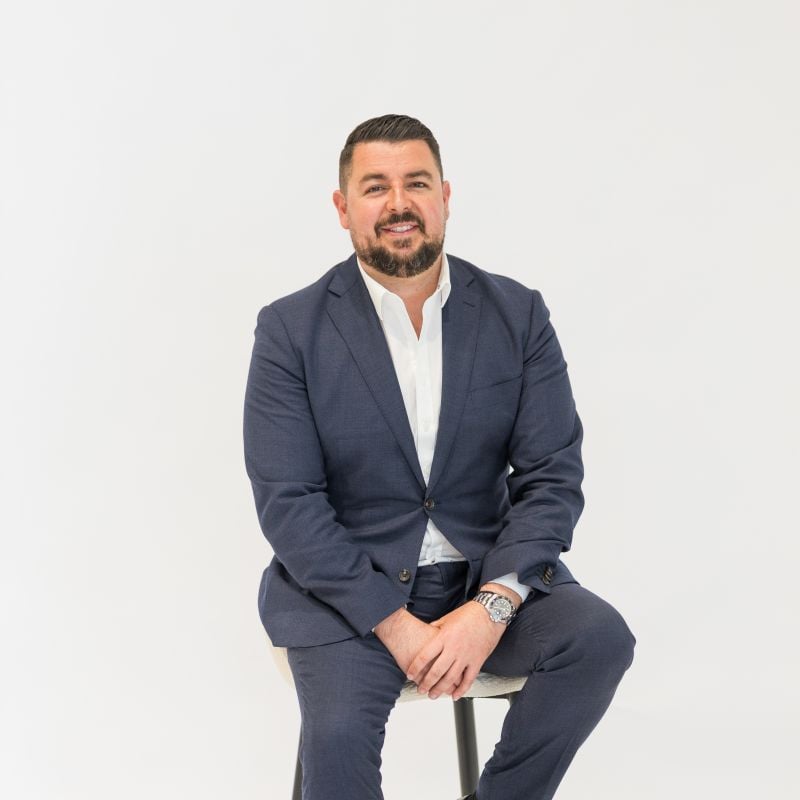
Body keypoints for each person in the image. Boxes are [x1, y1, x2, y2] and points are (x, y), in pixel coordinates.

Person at [243, 114, 636, 800]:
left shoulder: (518, 314)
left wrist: (491, 608)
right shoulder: (290, 331)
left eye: (417, 183)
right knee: (337, 742)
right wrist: (393, 625)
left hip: (484, 579)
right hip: (347, 599)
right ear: (343, 208)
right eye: (375, 187)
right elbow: (289, 504)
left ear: (445, 197)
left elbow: (551, 476)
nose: (399, 203)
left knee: (598, 639)